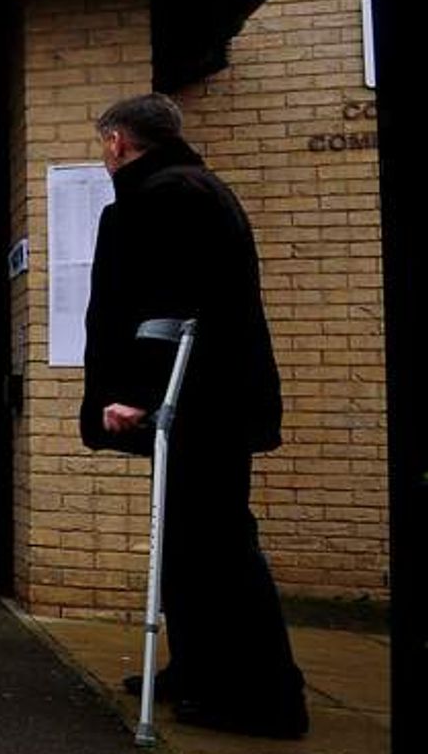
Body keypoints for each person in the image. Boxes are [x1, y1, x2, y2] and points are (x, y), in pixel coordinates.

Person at [80, 93, 307, 739]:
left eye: (104, 145)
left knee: (219, 548)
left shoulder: (170, 194)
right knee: (186, 545)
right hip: (208, 402)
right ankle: (199, 671)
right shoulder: (189, 186)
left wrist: (140, 394)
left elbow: (172, 305)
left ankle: (268, 700)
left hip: (198, 405)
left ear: (120, 141)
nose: (104, 156)